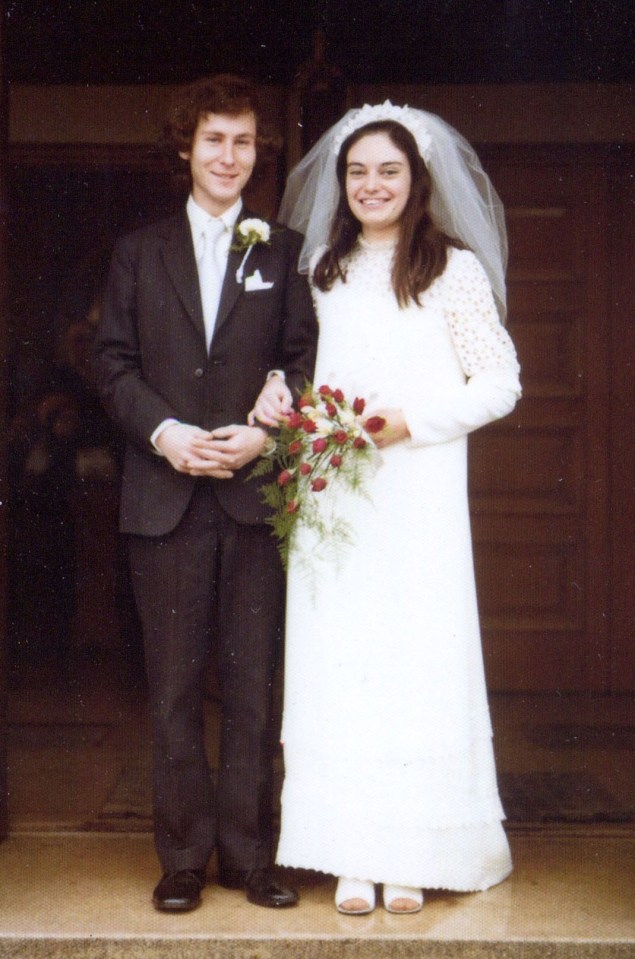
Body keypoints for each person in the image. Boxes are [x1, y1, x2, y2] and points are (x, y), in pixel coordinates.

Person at [251, 101, 521, 915]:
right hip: (336, 500)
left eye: (388, 170)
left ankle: (416, 852)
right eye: (357, 171)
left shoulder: (452, 271)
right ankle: (348, 853)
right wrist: (276, 390)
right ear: (341, 182)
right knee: (341, 668)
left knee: (415, 664)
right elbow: (295, 365)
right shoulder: (318, 271)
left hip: (418, 496)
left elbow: (501, 383)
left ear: (416, 180)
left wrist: (410, 421)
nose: (371, 184)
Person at [93, 74, 317, 912]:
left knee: (254, 684)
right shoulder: (138, 251)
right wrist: (165, 433)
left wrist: (270, 427)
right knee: (176, 688)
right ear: (184, 148)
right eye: (214, 139)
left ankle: (249, 855)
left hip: (254, 499)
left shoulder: (284, 249)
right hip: (165, 500)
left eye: (244, 141)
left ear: (259, 152)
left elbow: (303, 359)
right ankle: (183, 855)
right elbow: (110, 362)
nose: (229, 156)